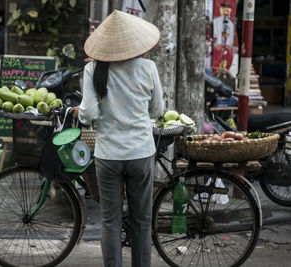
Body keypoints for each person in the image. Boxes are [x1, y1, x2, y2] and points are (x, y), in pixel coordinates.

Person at [71, 10, 164, 267]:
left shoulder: (93, 69)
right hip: (141, 154)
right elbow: (157, 111)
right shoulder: (148, 67)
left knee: (110, 222)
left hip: (108, 156)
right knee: (142, 222)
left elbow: (88, 113)